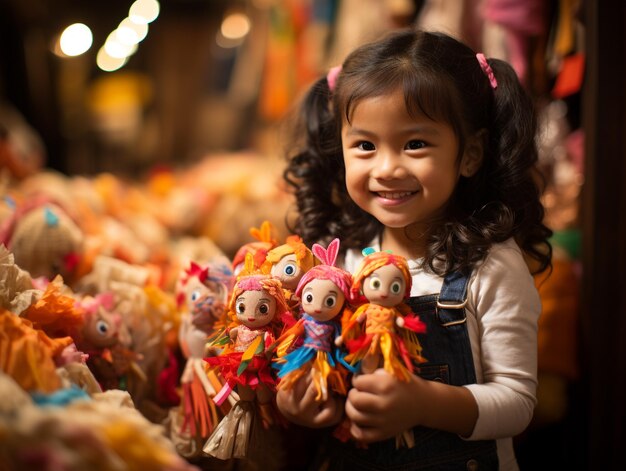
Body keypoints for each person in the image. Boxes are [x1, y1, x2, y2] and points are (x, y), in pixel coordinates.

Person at [278, 28, 552, 470]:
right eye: (365, 145)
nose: (387, 169)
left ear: (471, 154)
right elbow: (318, 364)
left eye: (415, 144)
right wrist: (300, 399)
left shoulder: (491, 265)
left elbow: (518, 403)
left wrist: (423, 403)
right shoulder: (341, 261)